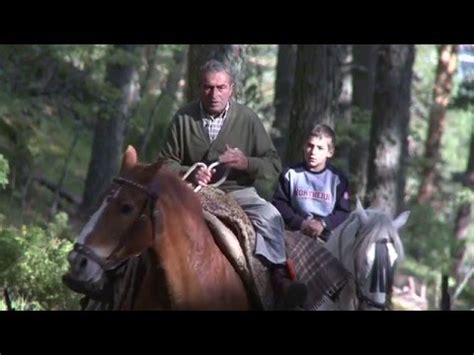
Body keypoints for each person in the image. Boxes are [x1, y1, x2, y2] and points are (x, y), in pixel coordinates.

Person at [159, 59, 307, 309]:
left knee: (270, 216)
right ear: (199, 88)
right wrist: (190, 172)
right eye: (208, 87)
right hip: (191, 192)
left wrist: (245, 162)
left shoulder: (248, 118)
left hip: (237, 192)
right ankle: (121, 276)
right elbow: (164, 163)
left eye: (220, 87)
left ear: (232, 89)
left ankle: (279, 278)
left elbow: (273, 164)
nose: (214, 94)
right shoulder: (184, 117)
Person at [272, 124, 351, 242]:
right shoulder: (290, 174)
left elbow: (343, 212)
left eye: (320, 148)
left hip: (328, 237)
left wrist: (323, 224)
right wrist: (301, 223)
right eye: (310, 146)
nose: (313, 152)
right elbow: (279, 204)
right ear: (304, 146)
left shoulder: (338, 179)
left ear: (330, 152)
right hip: (293, 233)